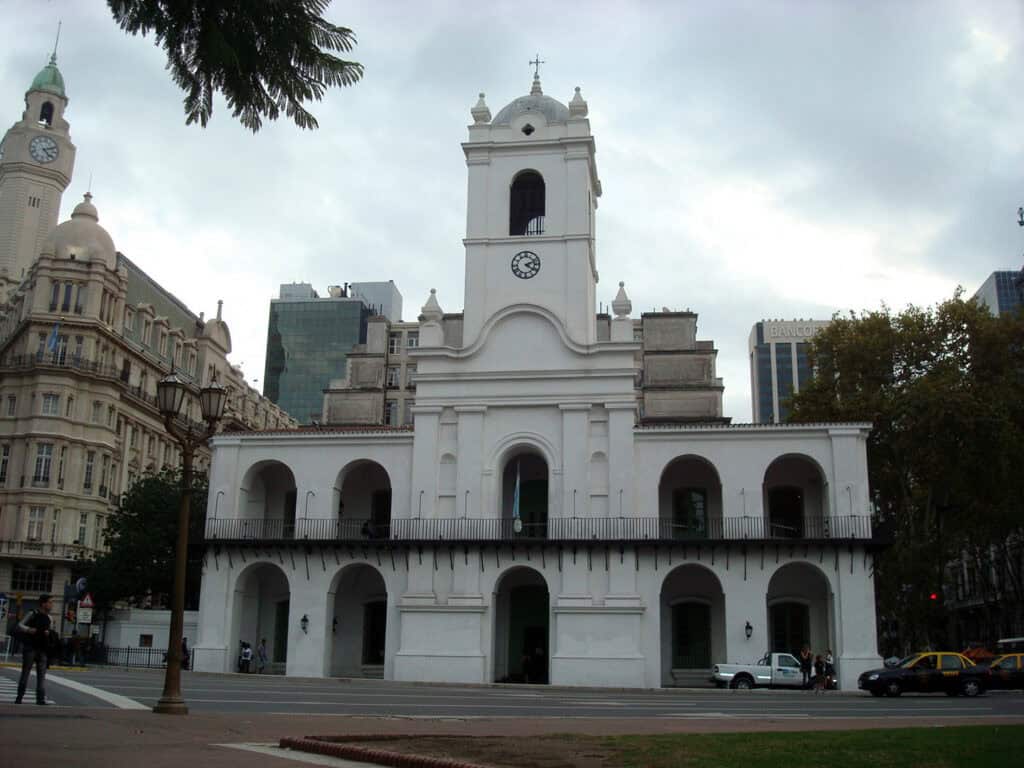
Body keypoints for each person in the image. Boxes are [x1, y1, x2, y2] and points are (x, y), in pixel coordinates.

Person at [16, 594, 54, 705]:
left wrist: (49, 633)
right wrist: (28, 629)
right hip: (30, 647)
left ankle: (40, 698)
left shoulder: (50, 617)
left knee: (42, 675)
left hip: (43, 648)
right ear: (43, 604)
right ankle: (19, 697)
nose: (52, 605)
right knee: (25, 672)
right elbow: (20, 625)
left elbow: (51, 631)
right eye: (50, 602)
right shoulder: (32, 613)